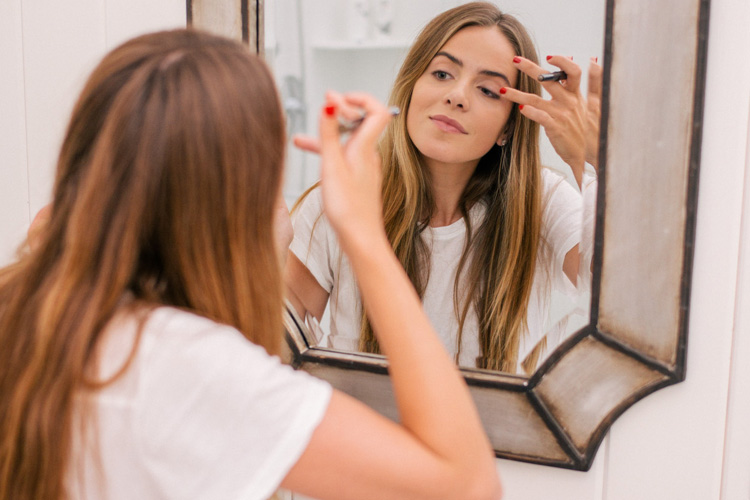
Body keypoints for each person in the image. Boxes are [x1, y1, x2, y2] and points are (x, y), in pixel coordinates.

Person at [0, 29, 502, 500]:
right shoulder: (189, 367)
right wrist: (365, 236)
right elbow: (468, 485)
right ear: (232, 201)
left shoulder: (27, 303)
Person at [286, 2, 601, 374]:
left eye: (487, 90)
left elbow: (621, 299)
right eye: (441, 73)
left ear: (508, 129)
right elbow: (276, 331)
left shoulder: (542, 200)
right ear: (410, 88)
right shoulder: (340, 198)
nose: (457, 96)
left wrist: (591, 160)